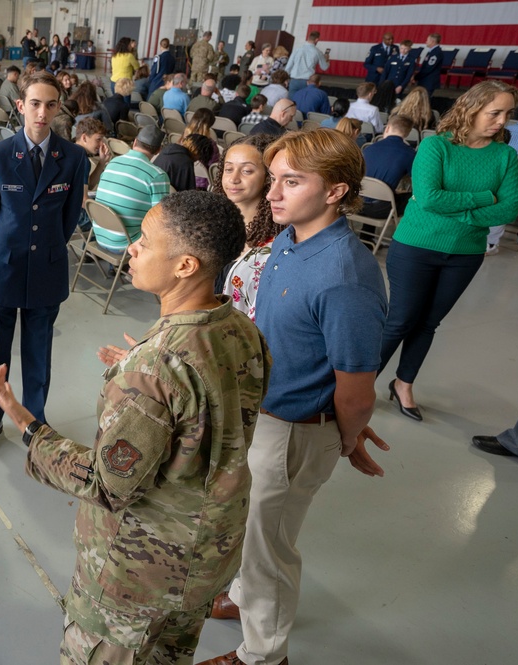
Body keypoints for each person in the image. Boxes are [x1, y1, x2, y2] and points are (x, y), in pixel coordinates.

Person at [0, 189, 269, 664]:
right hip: (205, 560)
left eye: (144, 240)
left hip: (138, 573)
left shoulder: (157, 366)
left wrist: (29, 427)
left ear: (185, 266)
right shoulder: (238, 328)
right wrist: (146, 377)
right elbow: (216, 405)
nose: (132, 248)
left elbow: (108, 484)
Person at [199, 128, 390, 665]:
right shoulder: (290, 237)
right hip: (262, 412)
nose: (274, 193)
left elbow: (356, 388)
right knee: (249, 527)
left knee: (270, 549)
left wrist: (344, 435)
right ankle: (242, 598)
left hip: (294, 429)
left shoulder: (344, 277)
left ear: (335, 192)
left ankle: (264, 654)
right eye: (275, 178)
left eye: (292, 181)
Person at [378, 81, 518, 420]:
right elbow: (428, 198)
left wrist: (458, 209)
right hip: (415, 246)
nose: (502, 121)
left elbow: (508, 210)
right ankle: (357, 383)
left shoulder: (504, 156)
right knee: (399, 321)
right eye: (495, 112)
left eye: (508, 114)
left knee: (429, 323)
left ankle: (403, 384)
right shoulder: (435, 148)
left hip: (465, 254)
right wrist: (485, 198)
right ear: (471, 109)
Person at [0, 71, 89, 457]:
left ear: (58, 108)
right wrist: (0, 253)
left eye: (50, 104)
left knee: (39, 349)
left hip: (47, 267)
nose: (42, 112)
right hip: (4, 265)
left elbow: (69, 217)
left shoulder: (72, 158)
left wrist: (46, 247)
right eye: (34, 103)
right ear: (20, 105)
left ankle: (36, 422)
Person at [214, 133, 279, 321]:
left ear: (268, 177)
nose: (234, 179)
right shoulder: (210, 223)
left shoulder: (275, 243)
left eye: (247, 171)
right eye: (228, 169)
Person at [94, 123, 170, 251]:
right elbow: (159, 219)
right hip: (126, 245)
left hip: (100, 236)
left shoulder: (113, 162)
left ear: (134, 142)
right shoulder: (157, 175)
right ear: (159, 150)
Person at [360, 114, 416, 218]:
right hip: (381, 210)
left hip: (357, 204)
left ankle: (367, 233)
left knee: (377, 194)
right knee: (414, 196)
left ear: (388, 128)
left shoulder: (369, 148)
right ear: (407, 133)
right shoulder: (409, 154)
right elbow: (417, 181)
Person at [284, 31, 330, 95]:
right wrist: (327, 60)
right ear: (317, 40)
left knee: (291, 102)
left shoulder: (297, 49)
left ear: (308, 38)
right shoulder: (318, 52)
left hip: (294, 80)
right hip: (308, 81)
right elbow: (324, 67)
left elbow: (289, 66)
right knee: (304, 102)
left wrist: (285, 79)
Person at [375, 40, 416, 110]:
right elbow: (385, 72)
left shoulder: (411, 60)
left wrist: (401, 86)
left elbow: (408, 75)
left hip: (399, 85)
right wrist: (381, 84)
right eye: (401, 48)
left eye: (405, 48)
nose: (403, 50)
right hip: (388, 83)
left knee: (395, 103)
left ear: (409, 49)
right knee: (384, 100)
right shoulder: (393, 57)